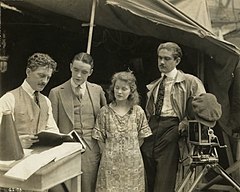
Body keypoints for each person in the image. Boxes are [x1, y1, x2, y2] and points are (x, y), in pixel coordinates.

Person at [141, 42, 206, 192]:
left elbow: (203, 107)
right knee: (147, 167)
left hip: (173, 126)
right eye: (159, 58)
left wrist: (183, 124)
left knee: (165, 175)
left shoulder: (190, 81)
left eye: (167, 58)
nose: (162, 62)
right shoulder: (155, 85)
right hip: (153, 125)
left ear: (177, 61)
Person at [48, 52, 107, 192]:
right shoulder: (56, 92)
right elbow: (52, 127)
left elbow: (105, 119)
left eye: (84, 72)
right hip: (66, 149)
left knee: (89, 187)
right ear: (70, 67)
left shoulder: (97, 90)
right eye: (76, 70)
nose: (79, 75)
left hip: (91, 150)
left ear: (91, 72)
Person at [92, 71, 152, 192]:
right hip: (110, 165)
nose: (119, 92)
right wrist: (111, 155)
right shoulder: (105, 112)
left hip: (133, 164)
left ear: (131, 91)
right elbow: (100, 139)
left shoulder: (138, 111)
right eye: (117, 88)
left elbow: (141, 137)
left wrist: (129, 150)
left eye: (124, 89)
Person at [0, 53, 59, 149]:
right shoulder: (9, 99)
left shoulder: (46, 101)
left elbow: (53, 131)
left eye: (48, 77)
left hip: (41, 157)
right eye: (41, 75)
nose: (44, 81)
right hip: (16, 157)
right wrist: (17, 142)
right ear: (28, 72)